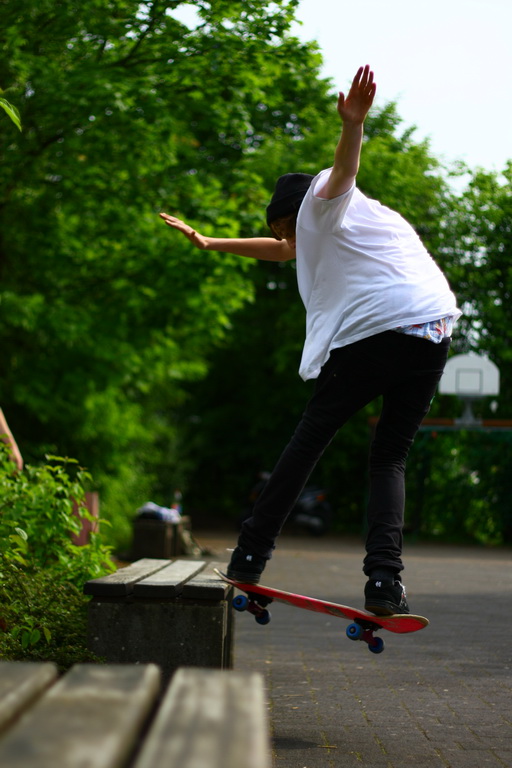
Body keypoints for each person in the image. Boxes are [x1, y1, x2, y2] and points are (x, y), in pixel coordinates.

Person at [160, 65, 461, 615]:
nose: (283, 242)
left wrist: (353, 125)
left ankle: (250, 554)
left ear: (295, 213)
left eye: (281, 228)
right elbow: (282, 250)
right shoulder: (369, 219)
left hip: (377, 330)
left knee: (310, 438)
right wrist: (209, 243)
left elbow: (342, 172)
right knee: (390, 456)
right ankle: (385, 583)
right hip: (434, 328)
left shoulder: (322, 202)